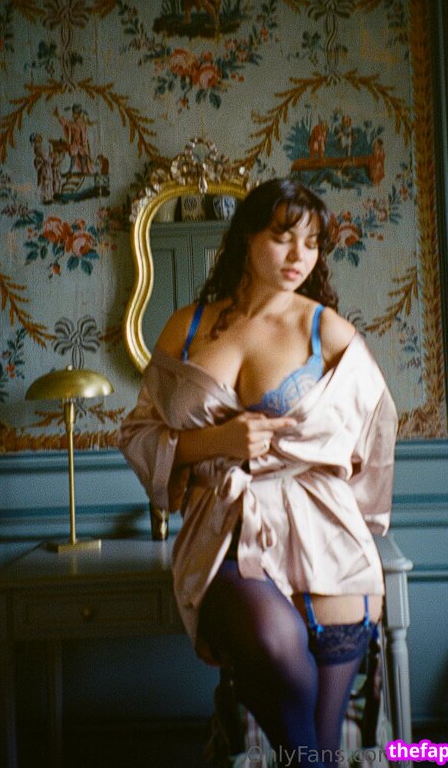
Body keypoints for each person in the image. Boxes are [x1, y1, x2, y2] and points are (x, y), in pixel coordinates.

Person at [117, 178, 398, 768]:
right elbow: (139, 433)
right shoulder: (187, 327)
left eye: (312, 243)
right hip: (223, 529)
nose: (299, 255)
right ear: (246, 237)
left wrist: (358, 520)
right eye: (283, 237)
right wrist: (214, 442)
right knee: (275, 647)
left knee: (318, 742)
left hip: (328, 540)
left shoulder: (328, 332)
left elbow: (376, 437)